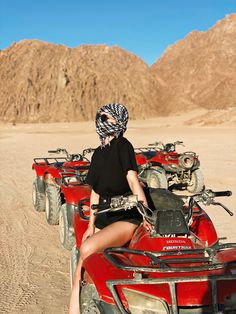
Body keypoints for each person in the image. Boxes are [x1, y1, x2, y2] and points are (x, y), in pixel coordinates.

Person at [69, 103, 152, 314]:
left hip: (125, 217)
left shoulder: (123, 146)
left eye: (107, 118)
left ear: (119, 122)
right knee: (83, 247)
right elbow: (95, 192)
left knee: (88, 249)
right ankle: (78, 297)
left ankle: (74, 309)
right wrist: (91, 225)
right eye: (101, 118)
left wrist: (146, 214)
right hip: (104, 216)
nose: (102, 122)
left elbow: (133, 180)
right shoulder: (98, 153)